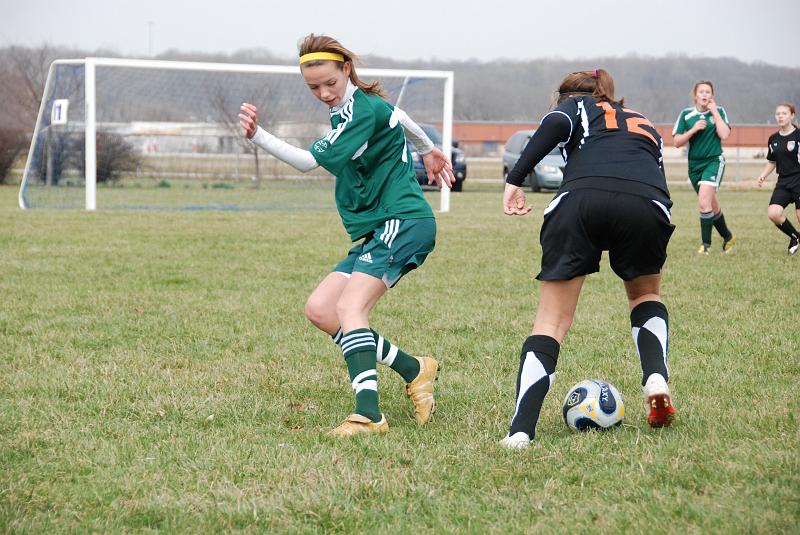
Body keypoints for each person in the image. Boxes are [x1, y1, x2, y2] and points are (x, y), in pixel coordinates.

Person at [238, 34, 455, 437]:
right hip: (381, 227)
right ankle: (415, 368)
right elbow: (399, 115)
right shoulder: (357, 107)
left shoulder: (360, 113)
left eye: (330, 83)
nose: (323, 93)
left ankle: (369, 415)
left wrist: (258, 137)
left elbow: (306, 162)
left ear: (347, 70)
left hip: (402, 221)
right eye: (313, 87)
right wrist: (426, 147)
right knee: (321, 309)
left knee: (351, 311)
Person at [499, 69, 676, 449]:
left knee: (551, 320)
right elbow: (655, 171)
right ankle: (655, 377)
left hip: (581, 200)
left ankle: (520, 431)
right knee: (644, 296)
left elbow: (551, 127)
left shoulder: (573, 107)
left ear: (568, 96)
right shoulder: (644, 121)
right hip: (646, 203)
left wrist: (514, 181)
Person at [672, 80, 736, 255]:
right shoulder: (686, 115)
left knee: (703, 202)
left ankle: (705, 246)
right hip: (694, 166)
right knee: (711, 206)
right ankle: (728, 237)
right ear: (695, 95)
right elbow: (677, 142)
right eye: (701, 92)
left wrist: (714, 112)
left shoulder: (719, 111)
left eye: (708, 92)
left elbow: (724, 134)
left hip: (714, 161)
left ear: (712, 96)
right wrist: (692, 130)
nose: (705, 95)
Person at [756, 103, 800, 255]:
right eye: (778, 114)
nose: (780, 116)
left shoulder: (798, 135)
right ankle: (795, 237)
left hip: (799, 179)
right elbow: (772, 161)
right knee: (773, 213)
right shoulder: (773, 139)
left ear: (792, 115)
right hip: (783, 181)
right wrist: (763, 175)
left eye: (784, 113)